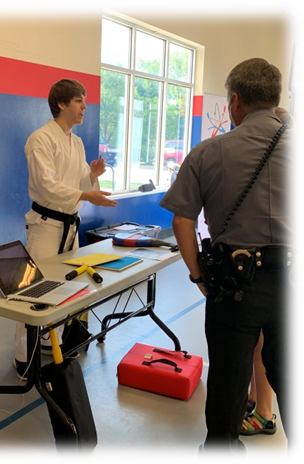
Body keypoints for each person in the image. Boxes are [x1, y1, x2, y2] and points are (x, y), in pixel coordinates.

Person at [159, 58, 299, 461]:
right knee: (292, 379)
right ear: (274, 98)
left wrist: (198, 276)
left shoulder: (208, 152)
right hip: (291, 286)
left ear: (235, 101)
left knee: (228, 381)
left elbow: (182, 221)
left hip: (233, 287)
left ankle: (223, 455)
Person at [13, 78, 117, 380]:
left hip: (69, 226)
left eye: (84, 100)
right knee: (32, 292)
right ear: (61, 104)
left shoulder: (76, 142)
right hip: (45, 226)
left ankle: (51, 340)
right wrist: (86, 193)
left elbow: (77, 182)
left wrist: (91, 176)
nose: (85, 106)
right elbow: (47, 185)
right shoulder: (40, 139)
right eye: (79, 100)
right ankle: (23, 358)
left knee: (63, 288)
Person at [240, 107, 296, 437]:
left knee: (263, 345)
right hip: (267, 271)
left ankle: (264, 411)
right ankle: (254, 398)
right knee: (256, 344)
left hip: (278, 276)